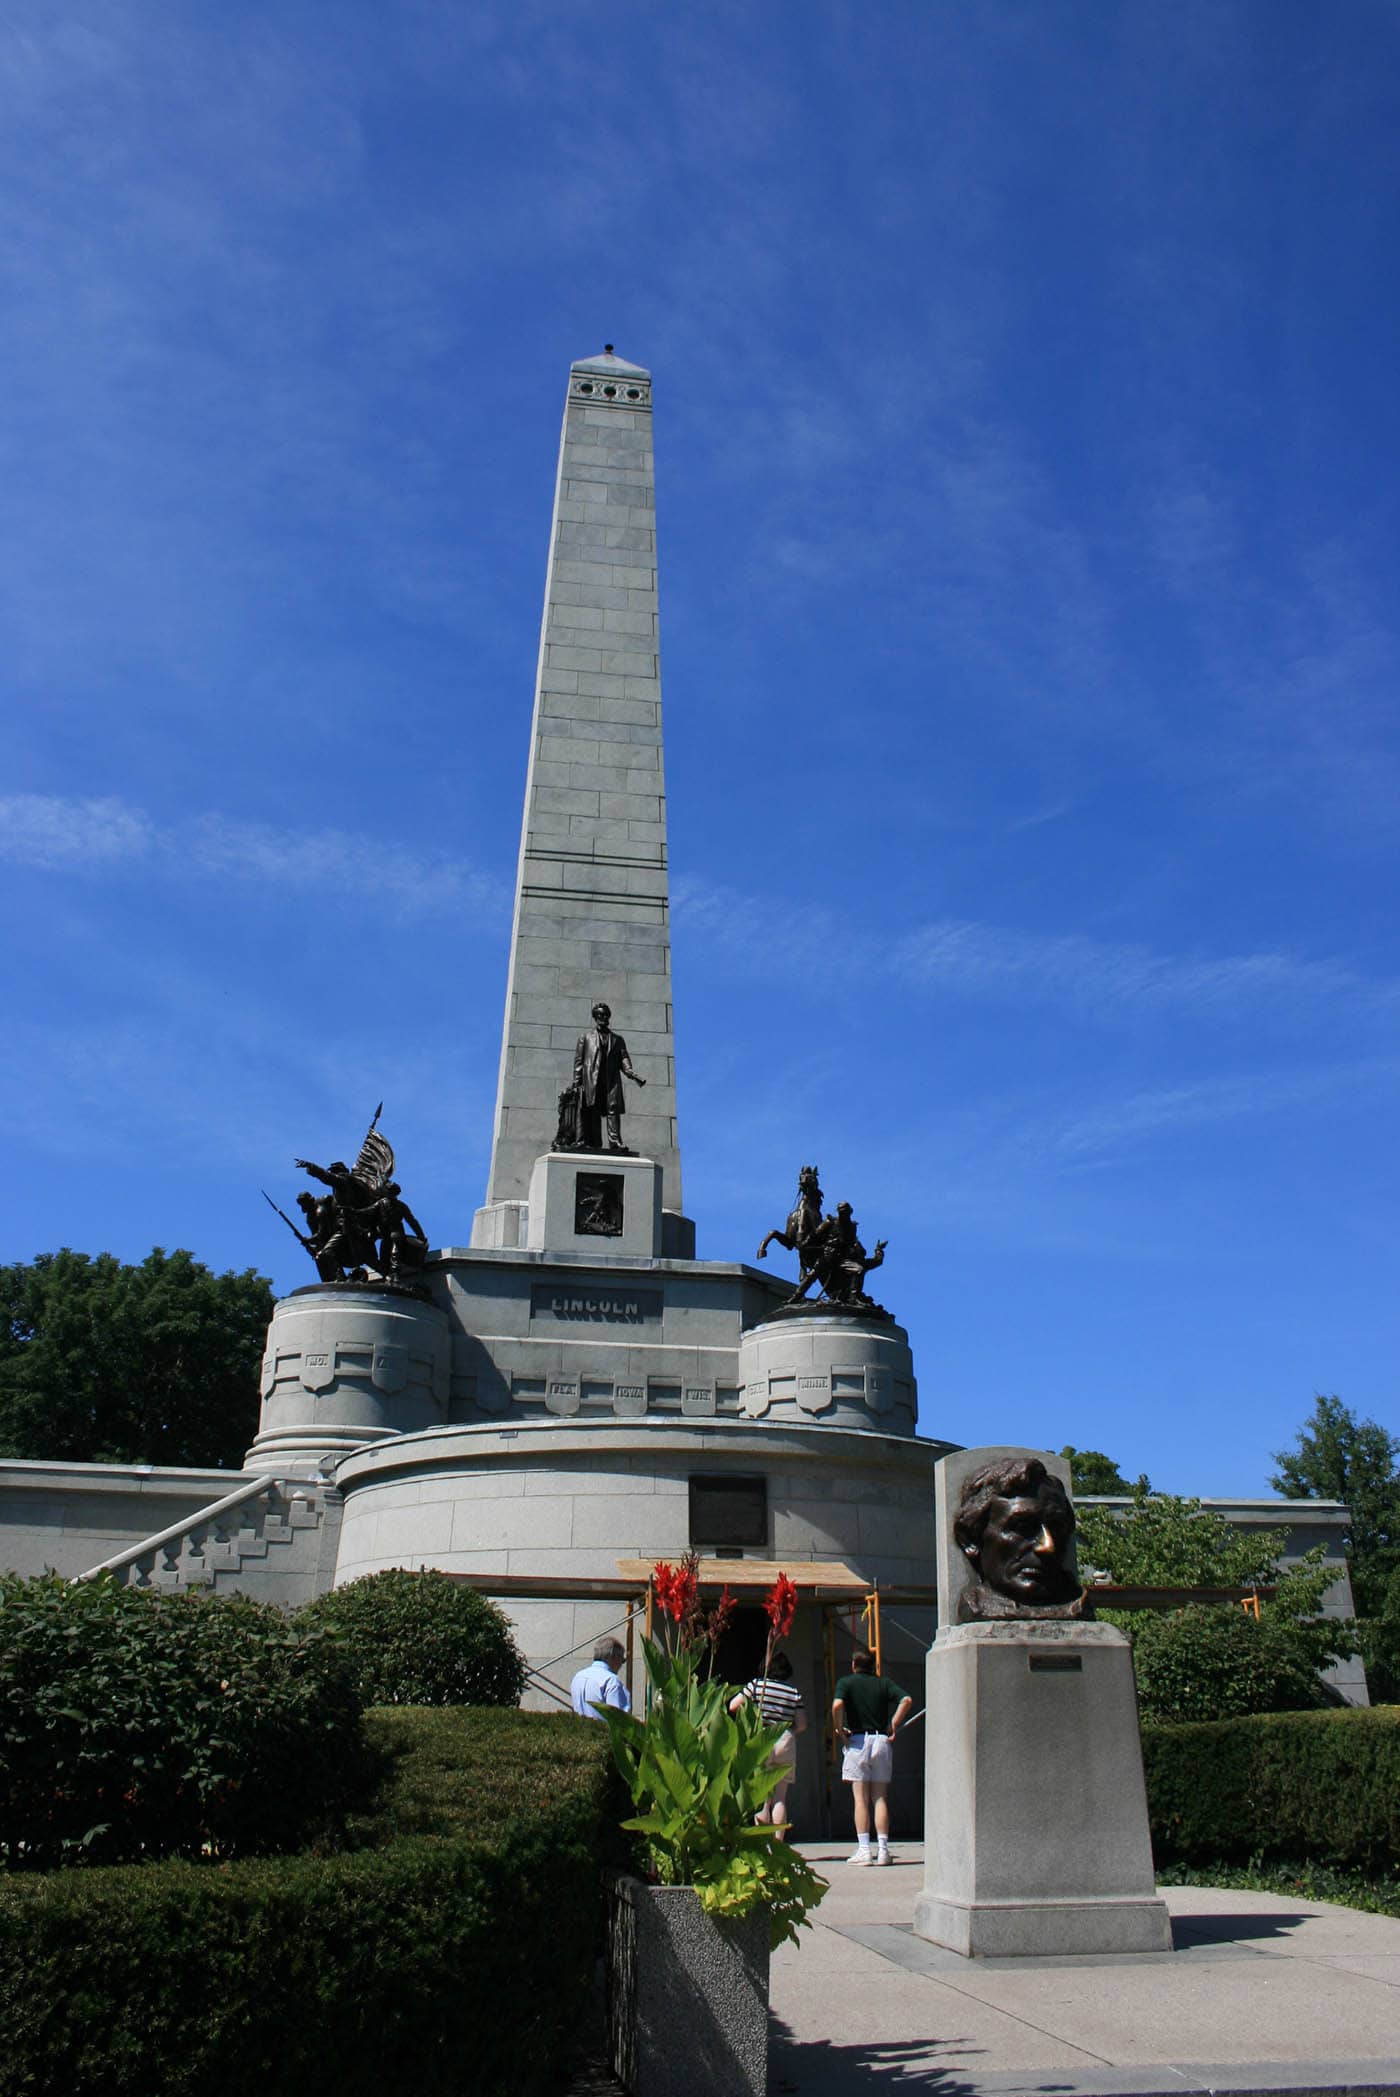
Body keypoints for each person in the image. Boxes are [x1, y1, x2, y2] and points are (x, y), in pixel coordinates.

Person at [951, 1455, 1087, 1621]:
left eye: (1057, 1527)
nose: (1047, 1546)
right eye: (1023, 1528)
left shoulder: (1079, 1605)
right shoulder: (976, 1607)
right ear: (970, 1540)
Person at [832, 1647, 912, 1866]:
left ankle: (864, 1849)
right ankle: (884, 1849)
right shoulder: (883, 1683)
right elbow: (906, 1699)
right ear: (874, 1664)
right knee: (880, 1797)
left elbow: (837, 1705)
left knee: (860, 1798)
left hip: (857, 1741)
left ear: (853, 1665)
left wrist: (840, 1729)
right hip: (881, 1740)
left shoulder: (846, 1683)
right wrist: (893, 1723)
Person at [727, 1651, 807, 1838]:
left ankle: (763, 1842)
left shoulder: (756, 1685)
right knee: (780, 1797)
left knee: (762, 1798)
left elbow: (733, 1705)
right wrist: (789, 1732)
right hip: (785, 1738)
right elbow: (802, 1724)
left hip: (762, 1738)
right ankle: (779, 1842)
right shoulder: (793, 1692)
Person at [572, 1002, 646, 1151]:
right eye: (600, 1015)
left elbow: (624, 1057)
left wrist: (630, 1071)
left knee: (613, 1109)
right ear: (595, 1017)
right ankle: (591, 1142)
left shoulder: (618, 1039)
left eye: (605, 1014)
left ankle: (615, 1142)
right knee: (592, 1109)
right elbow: (579, 1063)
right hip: (591, 1080)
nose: (603, 1017)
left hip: (611, 1080)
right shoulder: (585, 1038)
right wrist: (576, 1083)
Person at [570, 1636, 631, 1718]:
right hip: (602, 1729)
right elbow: (619, 1719)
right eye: (622, 1660)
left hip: (580, 1729)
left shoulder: (578, 1677)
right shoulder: (611, 1681)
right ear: (614, 1657)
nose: (621, 1665)